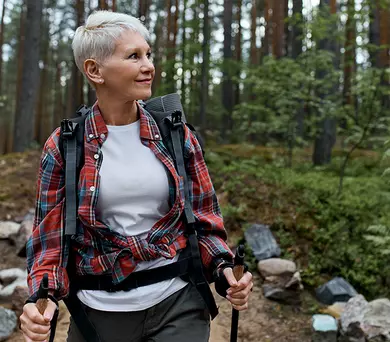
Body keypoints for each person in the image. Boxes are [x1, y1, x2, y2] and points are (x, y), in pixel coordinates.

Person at [20, 10, 253, 342]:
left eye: (148, 54)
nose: (149, 66)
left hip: (179, 302)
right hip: (98, 314)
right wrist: (41, 298)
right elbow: (50, 240)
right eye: (133, 56)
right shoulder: (65, 146)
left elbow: (203, 219)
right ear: (94, 70)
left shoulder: (175, 134)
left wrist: (224, 269)